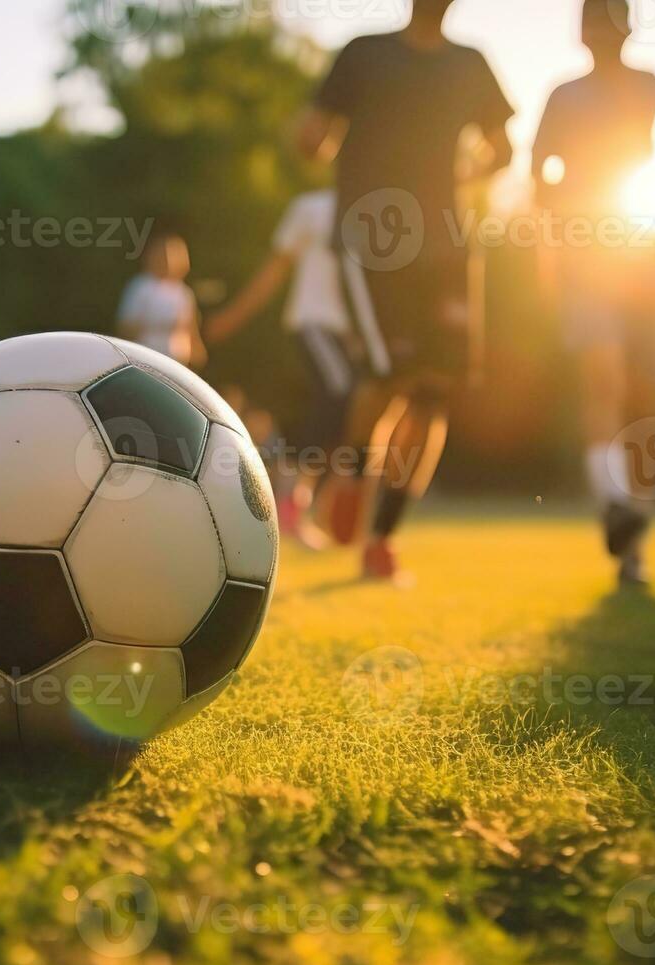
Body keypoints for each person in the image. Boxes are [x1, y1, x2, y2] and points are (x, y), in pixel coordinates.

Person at [295, 0, 515, 583]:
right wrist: (313, 135)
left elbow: (505, 150)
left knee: (433, 393)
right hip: (376, 243)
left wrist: (455, 177)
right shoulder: (364, 53)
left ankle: (382, 540)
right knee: (389, 376)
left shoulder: (472, 64)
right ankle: (349, 471)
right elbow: (312, 138)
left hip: (448, 247)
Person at [533, 0, 655, 586]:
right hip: (587, 258)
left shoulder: (644, 84)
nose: (600, 33)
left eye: (610, 21)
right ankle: (612, 505)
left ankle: (634, 536)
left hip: (641, 254)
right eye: (592, 22)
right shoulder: (562, 95)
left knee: (645, 404)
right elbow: (541, 174)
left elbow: (631, 149)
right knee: (603, 381)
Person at [207, 189, 359, 549]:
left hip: (350, 335)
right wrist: (232, 317)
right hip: (314, 322)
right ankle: (289, 504)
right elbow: (274, 271)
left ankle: (302, 502)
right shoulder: (311, 208)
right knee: (338, 396)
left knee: (348, 412)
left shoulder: (372, 208)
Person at [116, 233, 206, 368]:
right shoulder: (140, 286)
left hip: (177, 363)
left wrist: (196, 348)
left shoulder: (183, 291)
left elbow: (190, 326)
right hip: (146, 360)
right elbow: (125, 326)